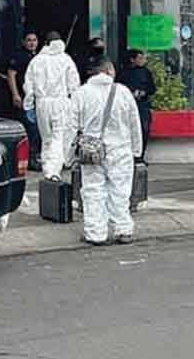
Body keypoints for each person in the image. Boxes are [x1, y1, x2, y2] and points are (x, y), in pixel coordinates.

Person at [74, 57, 144, 246]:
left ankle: (96, 233)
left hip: (92, 150)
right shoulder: (123, 92)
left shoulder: (81, 93)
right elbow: (134, 122)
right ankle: (123, 229)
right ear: (109, 71)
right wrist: (137, 150)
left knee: (93, 190)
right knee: (121, 190)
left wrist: (67, 154)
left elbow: (71, 125)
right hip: (121, 149)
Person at [23, 32, 81, 181]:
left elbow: (29, 85)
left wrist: (29, 105)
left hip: (42, 104)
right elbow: (74, 85)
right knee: (58, 137)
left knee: (47, 138)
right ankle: (53, 170)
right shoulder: (66, 60)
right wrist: (75, 105)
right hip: (61, 102)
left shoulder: (37, 60)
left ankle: (48, 168)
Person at [8, 32, 41, 171]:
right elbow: (11, 75)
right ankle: (28, 159)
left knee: (37, 130)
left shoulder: (39, 57)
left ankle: (35, 156)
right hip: (24, 98)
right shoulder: (19, 57)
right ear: (23, 42)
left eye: (34, 40)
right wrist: (15, 94)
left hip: (37, 99)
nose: (32, 43)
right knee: (29, 130)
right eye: (29, 40)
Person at [118, 49, 155, 161]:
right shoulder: (124, 72)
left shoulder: (146, 72)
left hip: (142, 105)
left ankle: (140, 156)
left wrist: (143, 92)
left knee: (144, 129)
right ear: (132, 59)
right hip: (127, 105)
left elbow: (152, 88)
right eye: (140, 58)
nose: (142, 60)